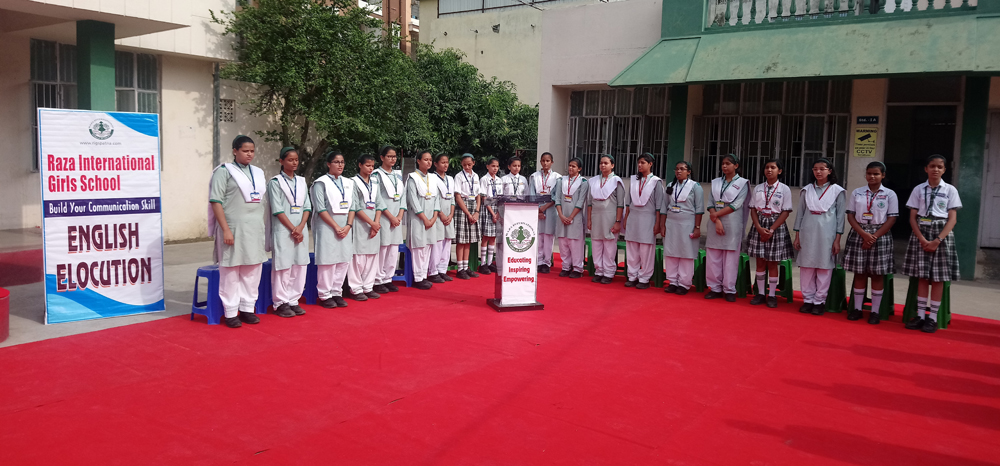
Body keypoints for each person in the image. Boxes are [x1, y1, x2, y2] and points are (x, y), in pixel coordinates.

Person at [208, 135, 268, 328]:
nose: (249, 154)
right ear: (235, 151)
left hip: (254, 228)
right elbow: (216, 201)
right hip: (233, 228)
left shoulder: (258, 172)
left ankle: (248, 308)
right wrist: (225, 229)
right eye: (245, 151)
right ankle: (231, 311)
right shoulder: (224, 172)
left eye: (252, 151)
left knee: (252, 269)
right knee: (231, 270)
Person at [901, 154, 961, 333]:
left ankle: (932, 318)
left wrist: (937, 240)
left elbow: (952, 219)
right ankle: (920, 315)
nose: (935, 169)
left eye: (939, 167)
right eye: (932, 166)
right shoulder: (918, 189)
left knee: (937, 277)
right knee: (922, 276)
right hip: (921, 232)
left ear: (944, 170)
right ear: (926, 169)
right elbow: (912, 218)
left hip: (941, 234)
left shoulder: (950, 190)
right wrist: (921, 238)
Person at [844, 161, 898, 324]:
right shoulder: (857, 192)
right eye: (869, 173)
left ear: (883, 175)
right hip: (859, 233)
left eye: (876, 174)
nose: (872, 176)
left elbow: (892, 218)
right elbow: (851, 216)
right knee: (860, 272)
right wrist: (864, 235)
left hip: (880, 235)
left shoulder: (889, 194)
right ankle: (857, 309)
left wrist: (873, 237)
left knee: (876, 274)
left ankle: (875, 311)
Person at [793, 158, 846, 315]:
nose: (818, 172)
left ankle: (819, 301)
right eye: (815, 169)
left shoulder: (837, 191)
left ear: (829, 171)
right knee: (807, 267)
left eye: (822, 169)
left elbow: (840, 217)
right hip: (807, 233)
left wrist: (837, 239)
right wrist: (797, 236)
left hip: (828, 234)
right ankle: (808, 300)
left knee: (824, 267)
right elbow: (800, 214)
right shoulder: (807, 190)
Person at [266, 147, 311, 318]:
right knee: (283, 266)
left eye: (296, 160)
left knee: (299, 264)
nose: (294, 163)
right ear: (281, 161)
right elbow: (277, 209)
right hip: (284, 230)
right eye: (290, 160)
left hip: (300, 229)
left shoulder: (301, 181)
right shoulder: (275, 182)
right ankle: (281, 302)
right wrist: (293, 229)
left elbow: (307, 206)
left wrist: (301, 227)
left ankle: (294, 299)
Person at [745, 159, 794, 308]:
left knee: (772, 263)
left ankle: (772, 295)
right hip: (759, 224)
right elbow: (753, 209)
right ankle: (760, 293)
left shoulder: (784, 189)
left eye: (773, 167)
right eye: (767, 167)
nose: (769, 170)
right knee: (760, 261)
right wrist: (759, 228)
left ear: (779, 171)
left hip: (776, 225)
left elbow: (785, 212)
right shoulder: (758, 188)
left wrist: (771, 229)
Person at [311, 151, 356, 308]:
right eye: (336, 162)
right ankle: (325, 294)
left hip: (345, 226)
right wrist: (336, 226)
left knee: (343, 259)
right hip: (327, 226)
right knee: (328, 260)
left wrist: (348, 225)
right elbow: (320, 208)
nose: (340, 165)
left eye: (342, 162)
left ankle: (337, 291)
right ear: (328, 164)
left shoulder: (349, 183)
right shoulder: (320, 183)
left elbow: (353, 206)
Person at [705, 154, 750, 302]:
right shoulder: (716, 182)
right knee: (713, 256)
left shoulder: (743, 183)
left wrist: (716, 215)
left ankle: (729, 289)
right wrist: (716, 219)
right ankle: (715, 288)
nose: (724, 166)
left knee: (730, 258)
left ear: (736, 166)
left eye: (728, 164)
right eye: (723, 163)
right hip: (715, 221)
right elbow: (710, 202)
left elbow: (736, 205)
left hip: (732, 222)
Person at [658, 161, 703, 296]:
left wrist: (697, 227)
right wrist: (662, 225)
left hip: (688, 224)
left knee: (686, 253)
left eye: (682, 169)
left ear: (688, 172)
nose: (678, 171)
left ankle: (684, 283)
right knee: (671, 252)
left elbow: (699, 209)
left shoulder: (695, 187)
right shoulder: (670, 186)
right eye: (677, 169)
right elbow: (664, 207)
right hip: (671, 223)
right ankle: (672, 281)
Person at [622, 153, 664, 289]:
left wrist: (658, 223)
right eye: (638, 162)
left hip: (648, 218)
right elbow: (628, 202)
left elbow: (659, 205)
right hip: (633, 217)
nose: (640, 165)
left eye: (643, 162)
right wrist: (626, 218)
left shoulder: (656, 182)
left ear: (650, 164)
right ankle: (632, 276)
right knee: (632, 248)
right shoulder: (634, 180)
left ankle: (644, 278)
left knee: (646, 250)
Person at [348, 154, 386, 301]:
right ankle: (356, 288)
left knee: (372, 255)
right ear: (360, 165)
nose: (370, 168)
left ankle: (368, 286)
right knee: (358, 256)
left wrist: (376, 223)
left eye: (372, 166)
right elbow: (356, 206)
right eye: (367, 165)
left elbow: (379, 204)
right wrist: (371, 223)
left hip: (374, 223)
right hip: (360, 223)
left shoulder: (375, 182)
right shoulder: (353, 182)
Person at [586, 155, 624, 284]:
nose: (602, 165)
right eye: (601, 163)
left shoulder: (616, 181)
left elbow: (620, 204)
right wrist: (589, 219)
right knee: (596, 244)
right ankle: (599, 271)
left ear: (612, 165)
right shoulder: (593, 181)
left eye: (606, 163)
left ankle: (608, 272)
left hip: (610, 217)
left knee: (609, 245)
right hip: (596, 217)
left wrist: (618, 221)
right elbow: (589, 203)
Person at [373, 146, 405, 294]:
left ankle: (388, 278)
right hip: (385, 217)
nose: (392, 159)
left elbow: (402, 197)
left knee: (393, 248)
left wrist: (399, 215)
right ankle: (378, 279)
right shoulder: (376, 175)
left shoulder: (398, 175)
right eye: (389, 156)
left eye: (394, 156)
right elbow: (377, 198)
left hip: (397, 217)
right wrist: (391, 216)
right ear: (382, 157)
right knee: (383, 247)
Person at [407, 150, 440, 290]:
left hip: (431, 218)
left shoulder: (433, 178)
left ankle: (424, 275)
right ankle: (417, 277)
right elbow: (413, 200)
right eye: (425, 159)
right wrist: (424, 218)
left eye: (430, 160)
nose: (428, 162)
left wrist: (434, 217)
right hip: (418, 218)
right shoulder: (412, 178)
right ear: (418, 161)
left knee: (428, 247)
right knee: (419, 247)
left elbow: (437, 198)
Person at [553, 157, 588, 278]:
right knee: (563, 242)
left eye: (574, 166)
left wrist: (571, 216)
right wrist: (561, 215)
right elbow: (557, 199)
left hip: (575, 217)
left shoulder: (583, 182)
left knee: (575, 243)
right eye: (569, 165)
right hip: (562, 216)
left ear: (579, 169)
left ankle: (578, 268)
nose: (571, 168)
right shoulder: (561, 181)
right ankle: (566, 266)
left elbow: (581, 201)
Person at [529, 152, 560, 274]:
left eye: (548, 161)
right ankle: (539, 261)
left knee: (548, 236)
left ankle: (547, 262)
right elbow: (531, 194)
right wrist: (538, 210)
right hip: (537, 208)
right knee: (539, 236)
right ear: (540, 162)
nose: (545, 163)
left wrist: (544, 207)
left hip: (550, 208)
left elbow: (556, 196)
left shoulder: (557, 177)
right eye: (543, 161)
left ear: (552, 162)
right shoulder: (534, 176)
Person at [429, 153, 456, 283]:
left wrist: (451, 214)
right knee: (438, 243)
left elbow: (452, 199)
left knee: (447, 242)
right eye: (442, 162)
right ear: (436, 164)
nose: (445, 165)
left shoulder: (450, 179)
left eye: (447, 162)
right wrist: (441, 214)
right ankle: (433, 271)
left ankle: (442, 269)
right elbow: (433, 199)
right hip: (438, 215)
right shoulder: (432, 178)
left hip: (449, 215)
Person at [454, 154, 482, 280]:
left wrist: (477, 211)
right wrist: (468, 214)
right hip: (463, 207)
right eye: (464, 164)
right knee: (462, 240)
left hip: (473, 206)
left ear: (473, 163)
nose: (467, 167)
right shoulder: (459, 176)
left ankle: (466, 267)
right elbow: (458, 196)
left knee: (469, 239)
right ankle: (460, 268)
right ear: (461, 164)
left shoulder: (476, 176)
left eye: (469, 164)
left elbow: (478, 195)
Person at [478, 157, 502, 274]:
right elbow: (484, 198)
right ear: (487, 166)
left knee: (493, 237)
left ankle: (489, 262)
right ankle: (483, 263)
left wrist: (497, 213)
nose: (495, 168)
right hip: (487, 209)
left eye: (497, 166)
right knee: (486, 237)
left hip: (497, 209)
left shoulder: (499, 180)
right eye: (493, 166)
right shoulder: (484, 179)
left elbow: (501, 198)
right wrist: (493, 213)